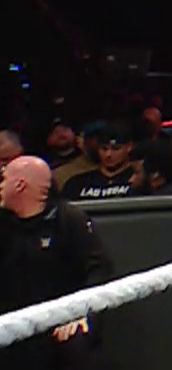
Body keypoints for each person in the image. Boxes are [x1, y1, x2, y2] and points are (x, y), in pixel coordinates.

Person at [0, 157, 110, 367]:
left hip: (59, 319)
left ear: (19, 185)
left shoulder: (67, 219)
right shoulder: (3, 223)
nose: (0, 186)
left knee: (75, 344)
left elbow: (99, 269)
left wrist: (81, 312)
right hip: (11, 322)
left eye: (4, 179)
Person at [62, 124, 138, 202]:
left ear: (129, 147)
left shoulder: (139, 180)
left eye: (116, 149)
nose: (108, 154)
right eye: (104, 149)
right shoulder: (77, 183)